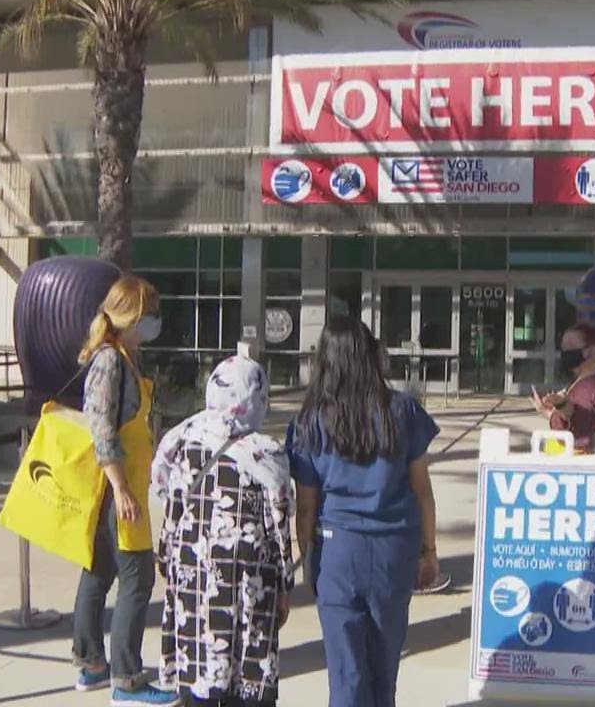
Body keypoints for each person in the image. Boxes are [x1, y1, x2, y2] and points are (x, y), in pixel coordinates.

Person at [286, 315, 441, 707]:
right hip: (394, 550)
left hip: (337, 552)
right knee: (384, 667)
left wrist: (303, 557)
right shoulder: (403, 412)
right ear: (371, 355)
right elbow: (423, 490)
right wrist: (430, 550)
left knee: (346, 671)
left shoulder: (309, 420)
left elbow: (306, 506)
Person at [151, 355, 293, 707]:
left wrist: (167, 558)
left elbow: (173, 509)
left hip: (192, 573)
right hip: (247, 581)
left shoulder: (181, 441)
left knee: (199, 664)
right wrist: (285, 582)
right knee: (247, 674)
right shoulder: (267, 453)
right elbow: (279, 525)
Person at [72, 275, 179, 707]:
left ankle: (92, 662)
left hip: (122, 485)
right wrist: (121, 489)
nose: (154, 323)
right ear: (131, 316)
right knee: (137, 578)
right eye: (150, 314)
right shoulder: (111, 362)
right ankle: (127, 679)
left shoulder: (124, 358)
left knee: (98, 572)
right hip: (118, 489)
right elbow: (101, 429)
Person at [529, 322, 595, 454]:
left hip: (589, 464)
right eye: (563, 348)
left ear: (592, 350)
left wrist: (561, 407)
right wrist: (550, 412)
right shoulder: (591, 380)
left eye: (572, 347)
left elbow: (580, 433)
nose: (566, 353)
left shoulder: (591, 387)